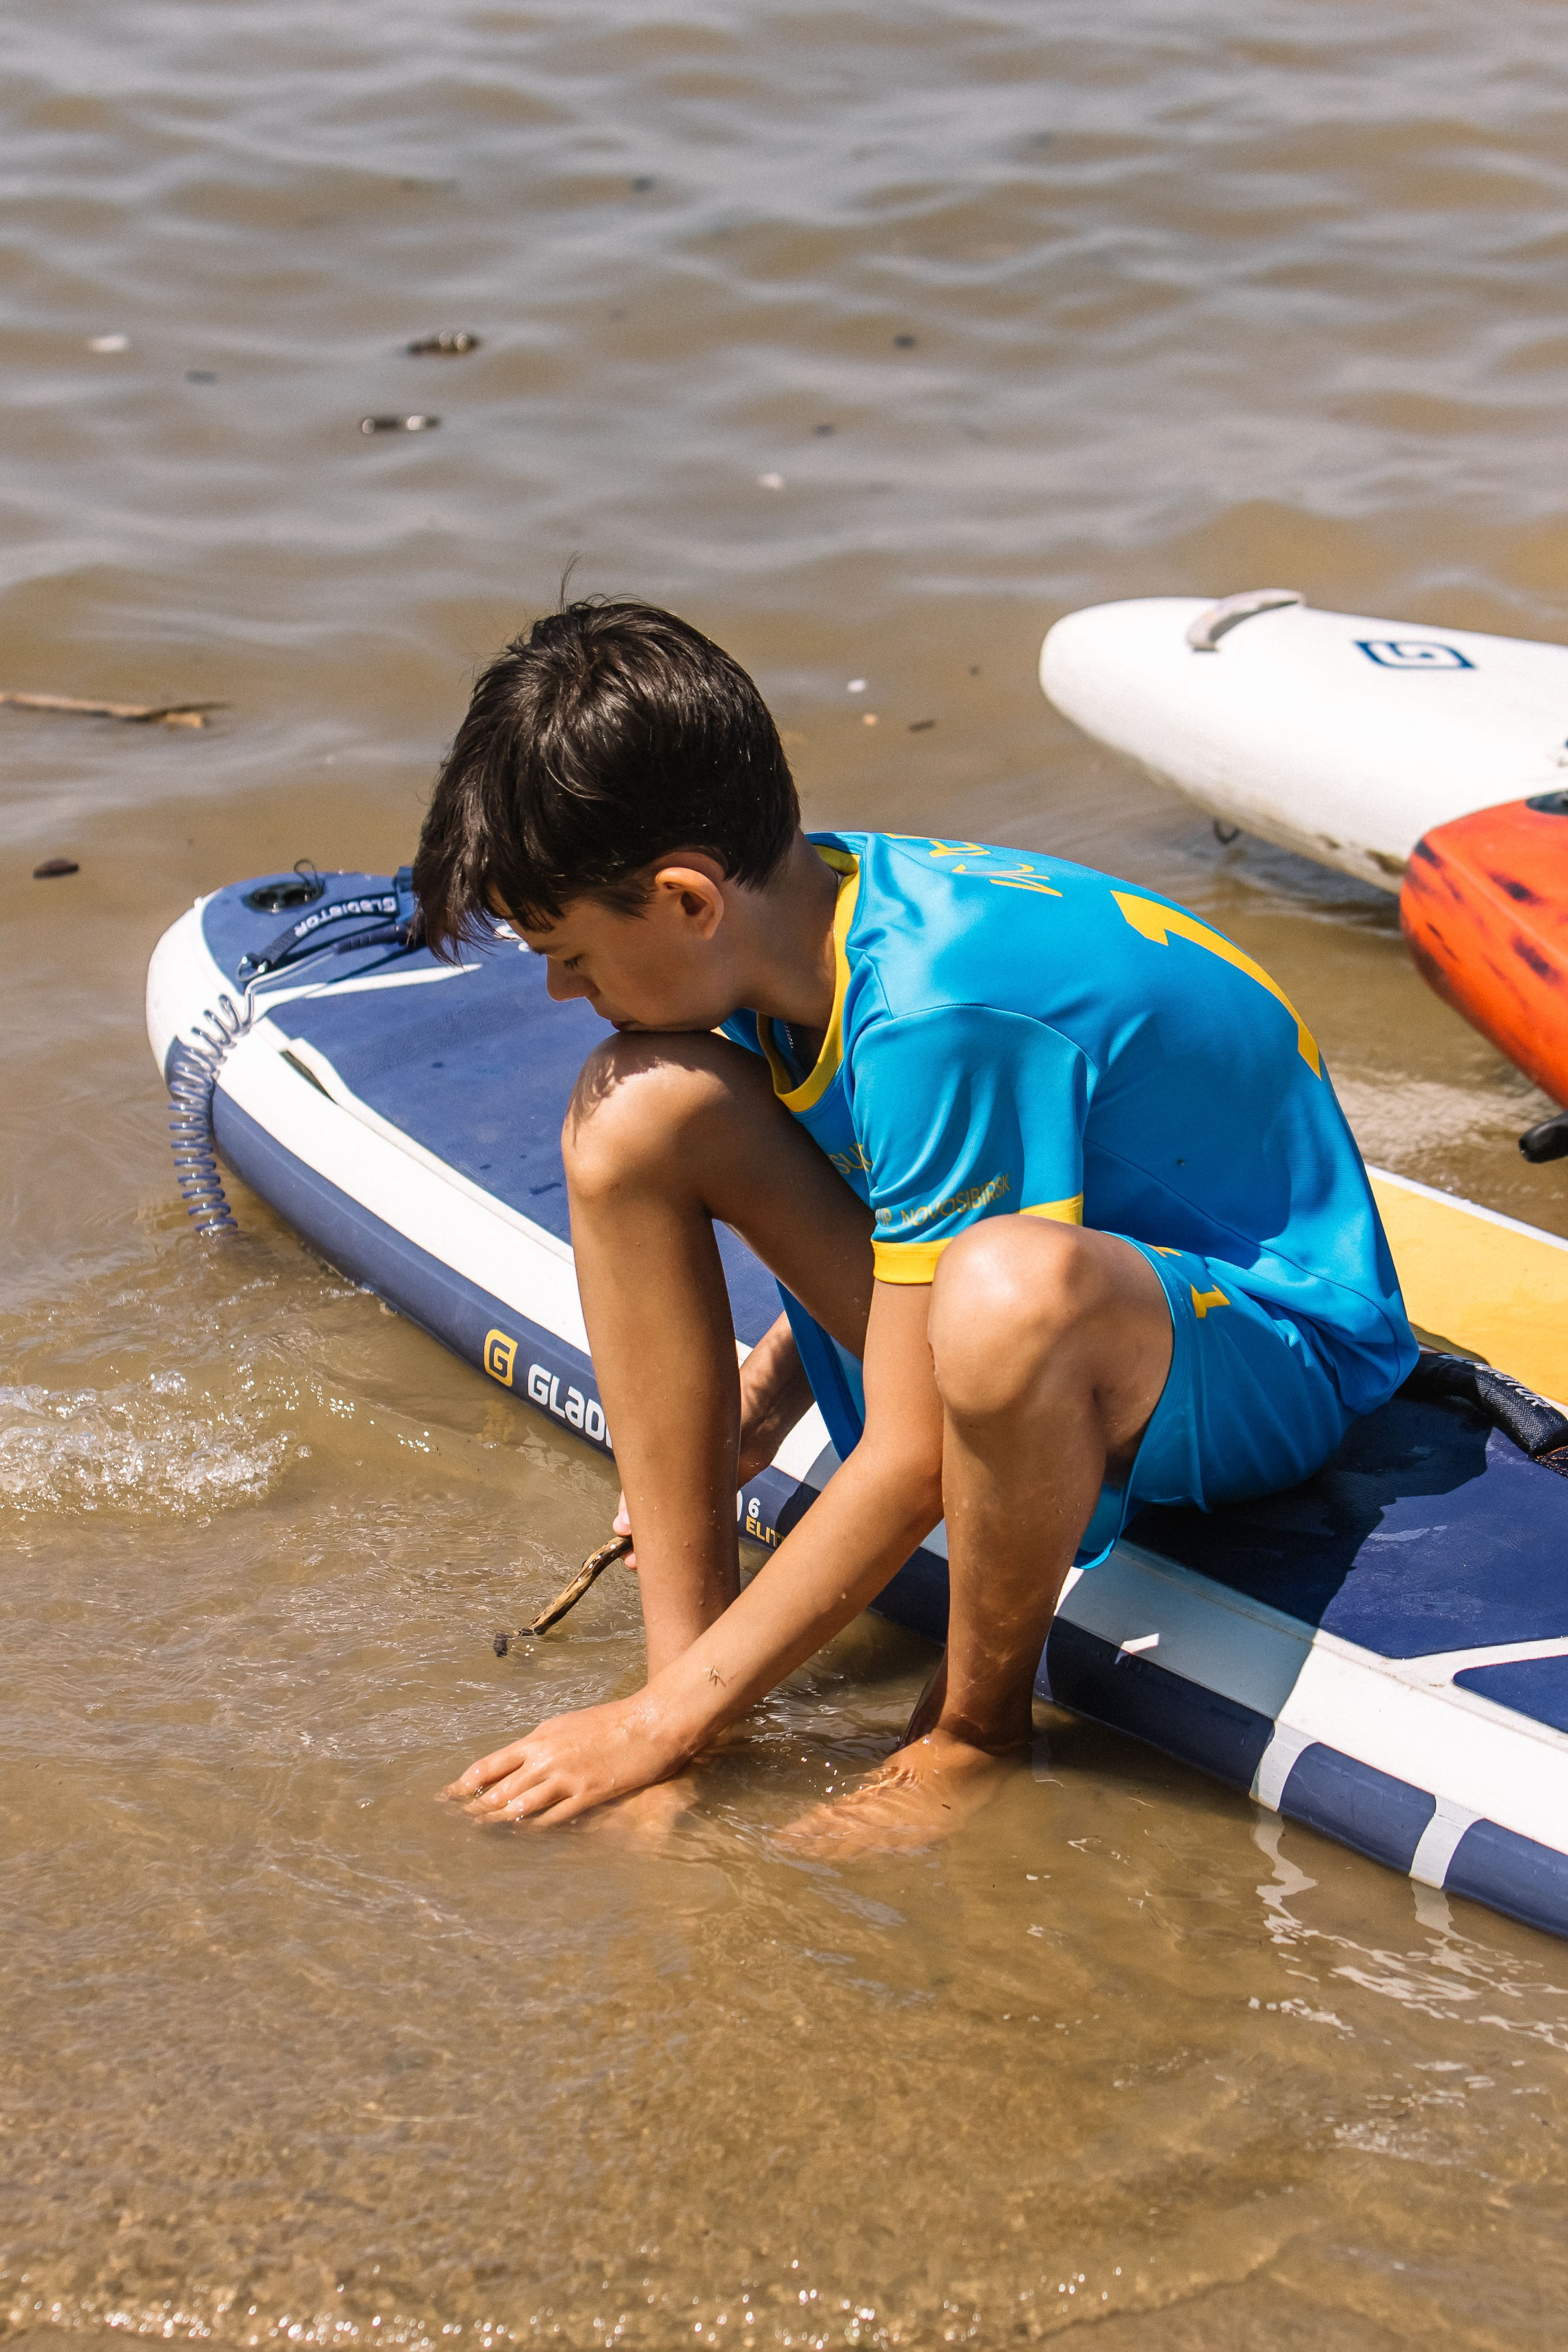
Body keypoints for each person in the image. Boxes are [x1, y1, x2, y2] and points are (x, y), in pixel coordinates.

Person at [416, 598, 1417, 1850]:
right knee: (633, 1113)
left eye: (568, 954)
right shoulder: (788, 913)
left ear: (682, 899)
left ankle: (970, 1732)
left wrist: (644, 1729)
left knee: (1003, 1297)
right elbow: (905, 1205)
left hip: (1266, 1345)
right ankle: (692, 1690)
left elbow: (911, 1447)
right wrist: (766, 1393)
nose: (566, 992)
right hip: (1068, 1270)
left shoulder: (939, 1015)